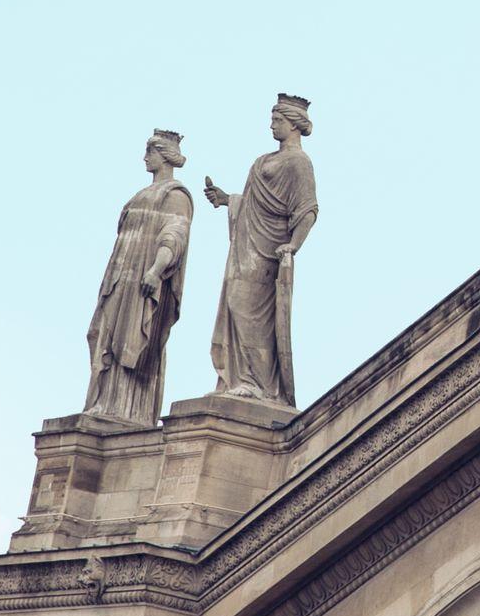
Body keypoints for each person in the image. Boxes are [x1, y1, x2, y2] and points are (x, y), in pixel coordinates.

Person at [204, 97, 320, 407]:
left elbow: (307, 209)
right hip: (247, 245)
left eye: (277, 119)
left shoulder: (299, 163)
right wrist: (227, 199)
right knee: (234, 303)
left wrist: (293, 246)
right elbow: (253, 202)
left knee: (250, 310)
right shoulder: (261, 160)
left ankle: (259, 383)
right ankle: (241, 378)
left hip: (269, 251)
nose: (271, 124)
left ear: (293, 123)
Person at [82, 129, 192, 425]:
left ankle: (128, 411)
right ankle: (103, 401)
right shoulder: (139, 196)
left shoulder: (175, 195)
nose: (145, 158)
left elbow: (175, 235)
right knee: (103, 336)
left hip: (144, 280)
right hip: (120, 278)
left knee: (133, 340)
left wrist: (157, 270)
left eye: (151, 152)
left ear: (164, 155)